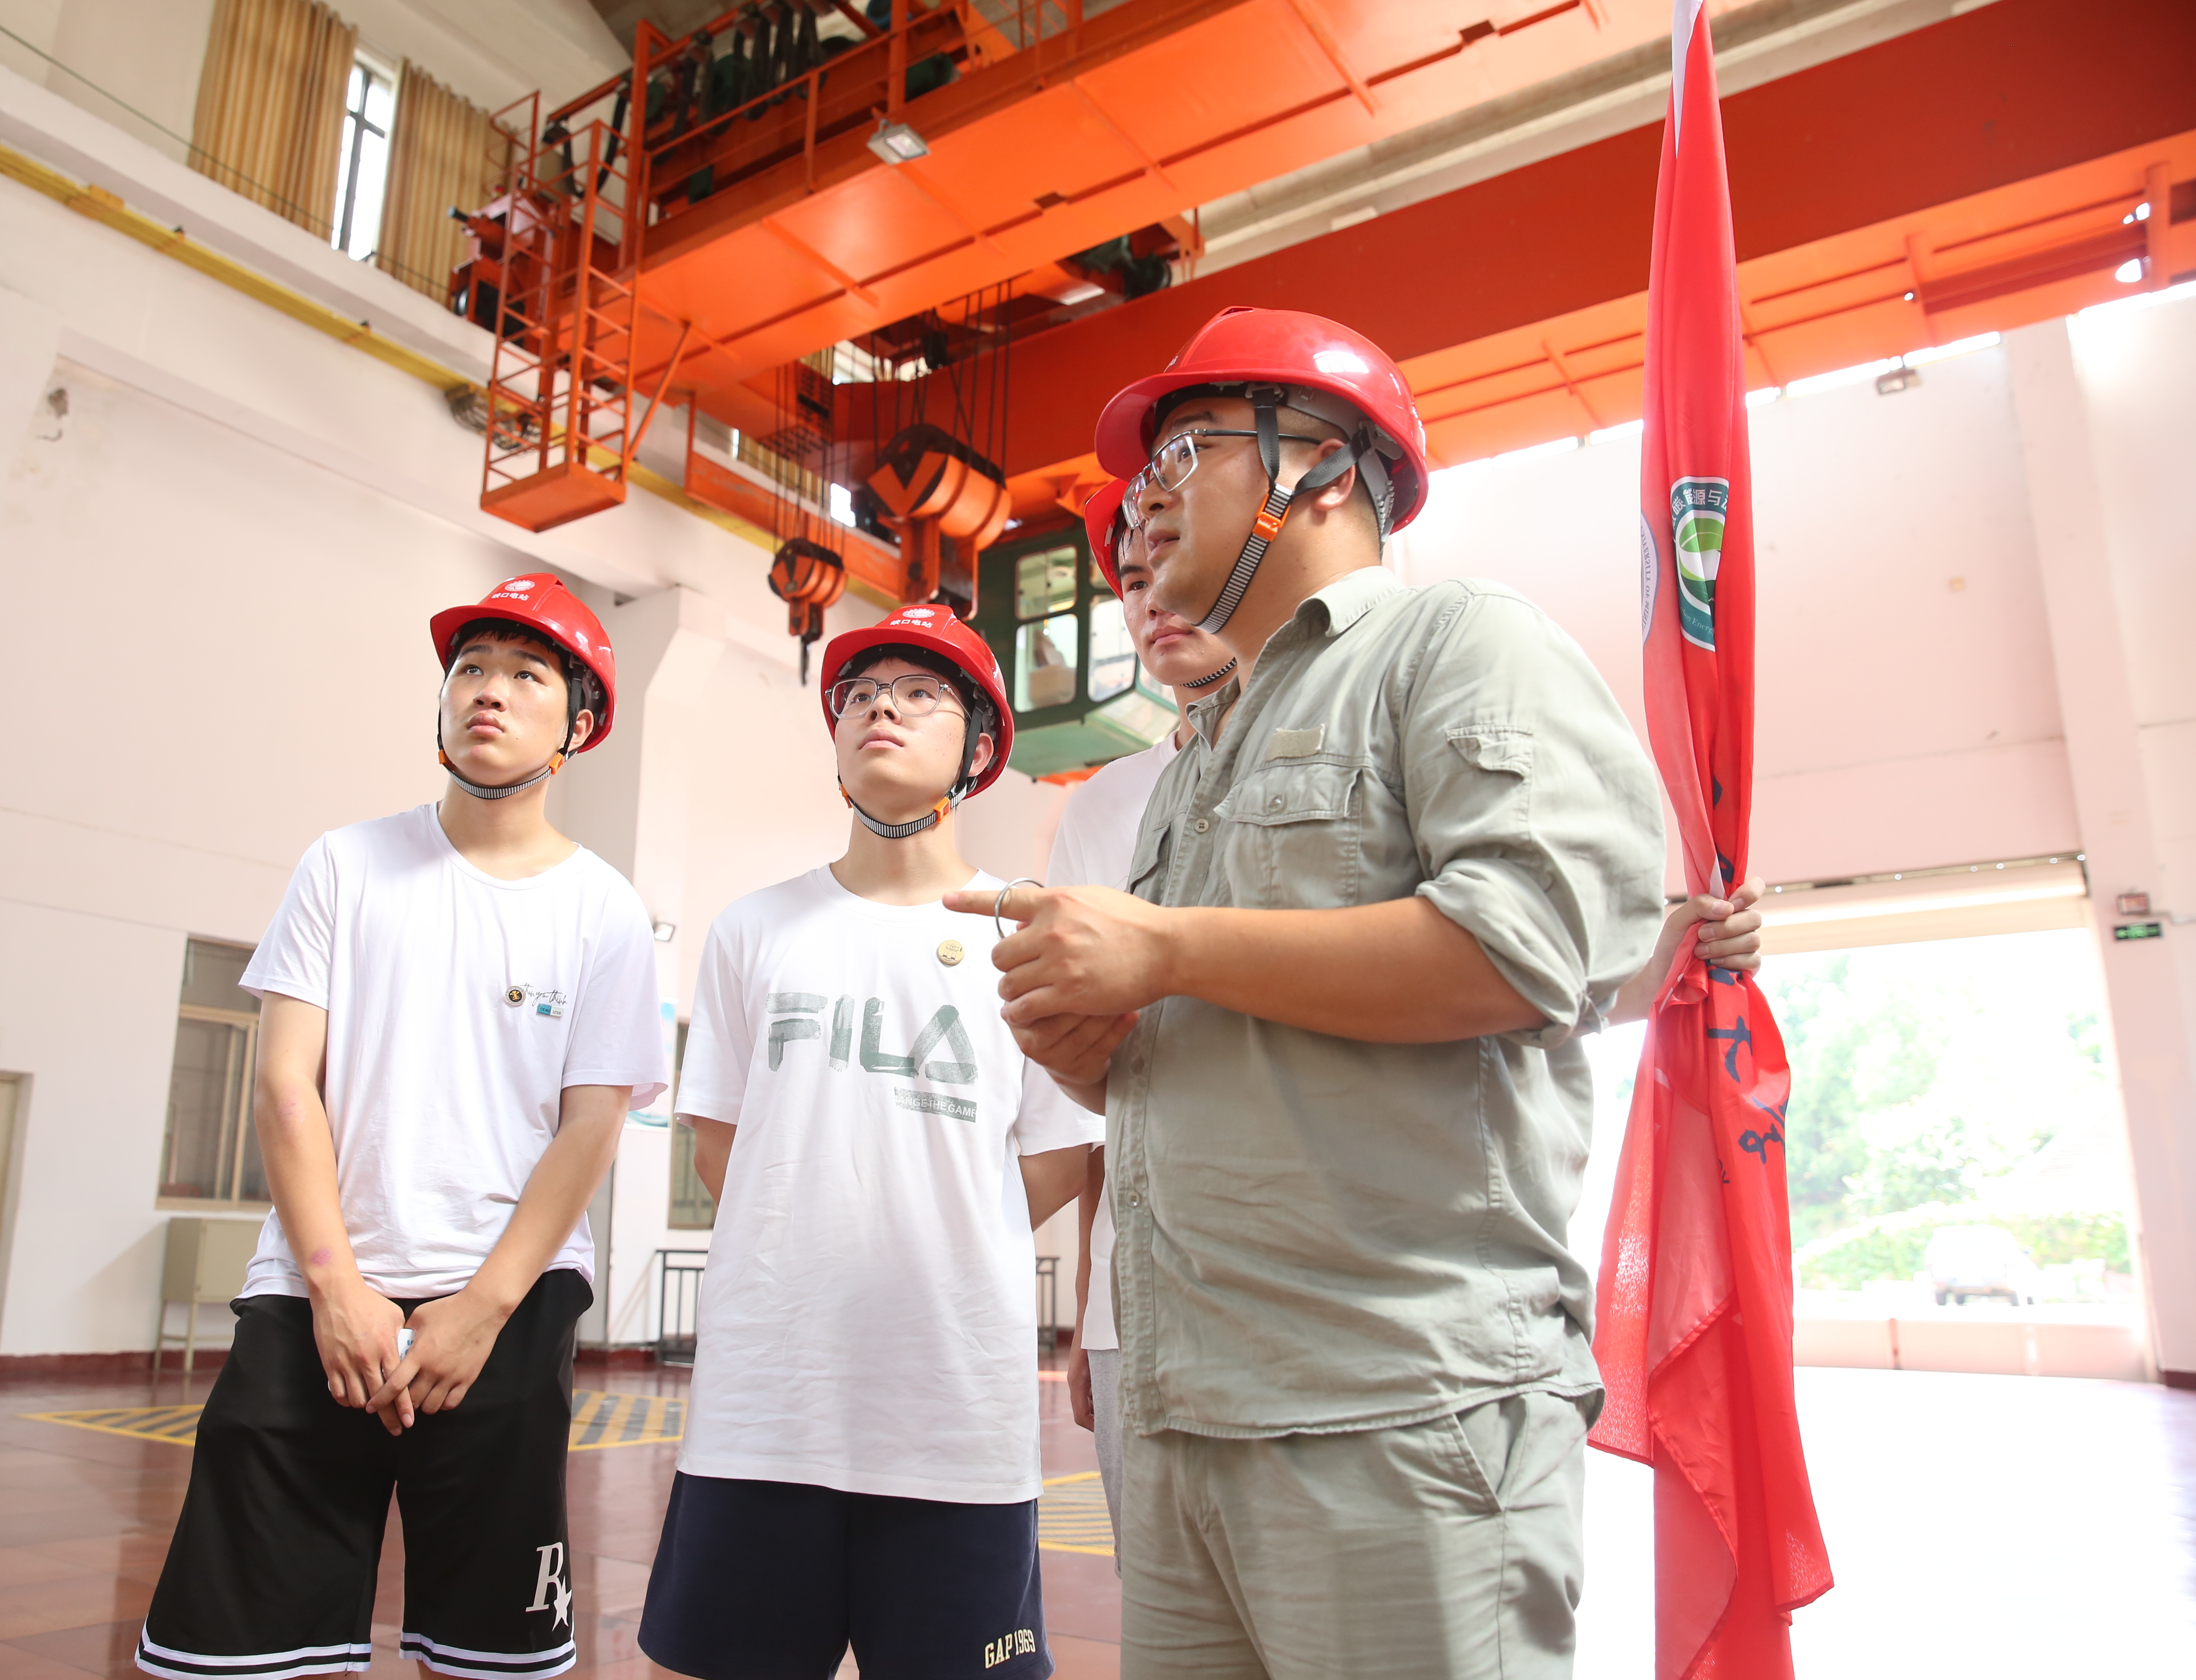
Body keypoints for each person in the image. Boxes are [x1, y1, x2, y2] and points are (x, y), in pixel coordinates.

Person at [950, 307, 1670, 1679]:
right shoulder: (1199, 751)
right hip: (1186, 1416)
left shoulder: (1458, 643)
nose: (1146, 496)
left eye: (1188, 451)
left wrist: (1165, 951)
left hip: (1397, 1408)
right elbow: (1191, 1048)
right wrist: (1084, 1043)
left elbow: (1533, 944)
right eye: (1146, 469)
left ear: (1324, 470)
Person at [138, 575, 670, 1680]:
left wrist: (480, 1311)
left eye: (527, 675)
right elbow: (286, 1086)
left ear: (579, 727)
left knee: (486, 1655)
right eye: (470, 668)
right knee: (240, 1651)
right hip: (312, 1297)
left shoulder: (605, 910)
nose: (488, 691)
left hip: (506, 1306)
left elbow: (589, 1129)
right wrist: (335, 1288)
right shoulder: (346, 864)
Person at [639, 605, 1102, 1680]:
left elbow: (1055, 1157)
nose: (881, 707)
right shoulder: (754, 928)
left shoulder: (1028, 937)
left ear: (981, 748)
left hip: (953, 1415)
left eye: (921, 693)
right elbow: (720, 1145)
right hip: (764, 1411)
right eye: (860, 693)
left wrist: (940, 1226)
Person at [1046, 484, 1237, 1566]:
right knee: (1167, 1624)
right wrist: (1093, 1303)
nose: (1155, 594)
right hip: (1142, 1304)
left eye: (1176, 557)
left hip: (1307, 1296)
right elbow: (1102, 1096)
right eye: (1131, 578)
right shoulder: (1105, 805)